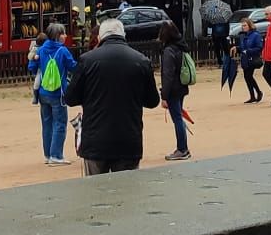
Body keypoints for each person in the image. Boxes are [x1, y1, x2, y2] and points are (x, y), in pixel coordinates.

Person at [64, 17, 160, 174]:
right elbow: (152, 101)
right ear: (124, 35)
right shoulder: (141, 61)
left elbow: (70, 98)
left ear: (100, 38)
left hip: (95, 139)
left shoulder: (87, 60)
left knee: (95, 193)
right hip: (129, 139)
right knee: (127, 195)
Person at [28, 22, 76, 166]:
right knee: (60, 123)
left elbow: (32, 67)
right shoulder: (62, 51)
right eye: (63, 33)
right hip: (58, 93)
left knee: (47, 124)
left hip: (43, 92)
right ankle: (56, 155)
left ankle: (48, 155)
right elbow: (73, 67)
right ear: (58, 36)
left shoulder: (41, 50)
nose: (65, 36)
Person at [157, 23, 191, 161]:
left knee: (177, 118)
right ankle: (184, 148)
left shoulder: (169, 51)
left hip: (173, 89)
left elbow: (168, 75)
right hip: (182, 86)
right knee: (179, 117)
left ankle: (182, 148)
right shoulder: (181, 47)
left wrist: (164, 95)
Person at [236, 17, 264, 103]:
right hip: (245, 59)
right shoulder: (243, 35)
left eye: (245, 25)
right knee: (247, 77)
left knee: (248, 76)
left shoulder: (256, 35)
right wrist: (237, 48)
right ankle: (253, 95)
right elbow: (242, 47)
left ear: (249, 25)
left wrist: (248, 51)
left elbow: (259, 47)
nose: (243, 27)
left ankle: (258, 93)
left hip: (252, 58)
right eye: (242, 26)